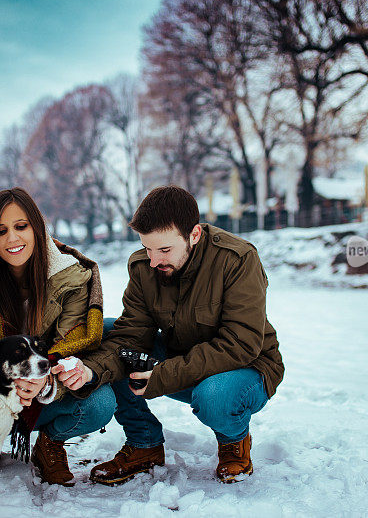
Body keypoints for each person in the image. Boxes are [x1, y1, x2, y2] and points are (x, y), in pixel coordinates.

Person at [61, 185, 284, 484]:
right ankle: (144, 444)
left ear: (194, 235)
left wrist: (161, 375)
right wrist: (92, 370)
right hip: (180, 357)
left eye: (164, 250)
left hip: (246, 368)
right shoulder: (145, 267)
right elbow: (130, 337)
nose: (153, 261)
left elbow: (240, 344)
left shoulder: (237, 259)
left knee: (214, 396)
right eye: (147, 249)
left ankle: (234, 444)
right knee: (105, 333)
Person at [0, 187, 115, 487]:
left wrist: (44, 382)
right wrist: (5, 378)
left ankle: (50, 445)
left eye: (21, 227)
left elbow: (73, 342)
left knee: (99, 404)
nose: (12, 239)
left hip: (45, 387)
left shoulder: (73, 274)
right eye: (0, 231)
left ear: (37, 227)